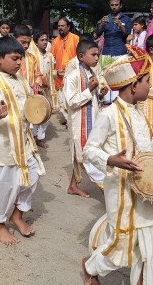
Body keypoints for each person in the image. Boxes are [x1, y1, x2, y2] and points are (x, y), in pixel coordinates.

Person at [81, 47, 153, 285]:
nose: (150, 86)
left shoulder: (139, 113)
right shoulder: (109, 115)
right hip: (123, 192)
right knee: (120, 248)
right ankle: (90, 267)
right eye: (147, 81)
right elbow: (88, 150)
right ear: (134, 85)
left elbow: (143, 145)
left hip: (146, 193)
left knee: (152, 252)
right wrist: (110, 159)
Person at [0, 36, 45, 246]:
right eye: (14, 58)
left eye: (20, 59)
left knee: (32, 178)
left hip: (24, 144)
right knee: (3, 188)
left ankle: (17, 216)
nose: (19, 63)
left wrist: (40, 111)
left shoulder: (21, 81)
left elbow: (30, 108)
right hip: (0, 147)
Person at [65, 39, 108, 198]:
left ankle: (73, 186)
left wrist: (100, 96)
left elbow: (94, 101)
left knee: (81, 154)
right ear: (81, 56)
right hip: (79, 124)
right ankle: (108, 190)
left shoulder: (93, 74)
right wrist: (89, 90)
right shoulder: (73, 76)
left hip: (93, 121)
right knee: (88, 158)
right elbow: (70, 102)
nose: (97, 58)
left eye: (98, 54)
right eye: (94, 54)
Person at [31, 29, 57, 147]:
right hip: (36, 89)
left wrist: (58, 73)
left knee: (47, 114)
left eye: (46, 40)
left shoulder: (50, 56)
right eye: (42, 40)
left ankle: (40, 137)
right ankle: (34, 138)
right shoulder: (32, 56)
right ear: (36, 42)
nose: (45, 42)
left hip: (47, 89)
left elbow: (53, 71)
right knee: (36, 114)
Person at [51, 17, 80, 92]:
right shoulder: (55, 41)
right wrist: (55, 72)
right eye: (59, 26)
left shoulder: (75, 38)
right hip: (59, 76)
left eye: (62, 26)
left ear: (68, 27)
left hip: (72, 75)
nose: (60, 28)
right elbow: (51, 59)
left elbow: (80, 56)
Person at [14, 24, 43, 93]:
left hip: (30, 95)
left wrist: (37, 83)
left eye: (28, 43)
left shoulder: (31, 58)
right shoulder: (7, 58)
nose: (26, 46)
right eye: (23, 42)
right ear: (14, 39)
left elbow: (38, 75)